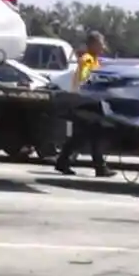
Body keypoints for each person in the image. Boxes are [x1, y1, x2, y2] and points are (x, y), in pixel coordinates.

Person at [57, 31, 114, 177]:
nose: (103, 47)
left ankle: (63, 161)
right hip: (86, 101)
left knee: (82, 136)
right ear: (93, 44)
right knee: (94, 133)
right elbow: (84, 80)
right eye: (100, 44)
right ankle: (99, 167)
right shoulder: (88, 59)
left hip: (89, 101)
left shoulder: (94, 59)